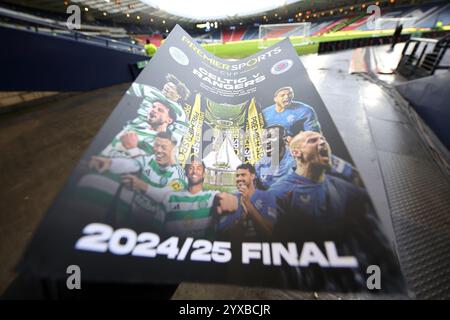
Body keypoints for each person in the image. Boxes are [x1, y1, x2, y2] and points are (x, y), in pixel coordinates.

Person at [269, 131, 403, 291]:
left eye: (323, 139)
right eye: (313, 141)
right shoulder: (280, 192)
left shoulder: (345, 189)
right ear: (297, 153)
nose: (323, 142)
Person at [89, 131, 187, 230]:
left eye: (163, 147)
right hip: (129, 218)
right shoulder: (149, 160)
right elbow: (132, 164)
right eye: (156, 145)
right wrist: (110, 163)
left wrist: (141, 185)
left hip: (153, 227)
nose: (158, 150)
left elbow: (163, 195)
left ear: (174, 150)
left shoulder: (179, 175)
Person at [158, 158, 238, 239]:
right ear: (186, 172)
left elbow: (222, 198)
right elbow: (156, 228)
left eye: (199, 168)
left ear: (204, 174)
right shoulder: (170, 198)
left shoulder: (212, 196)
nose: (194, 171)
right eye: (191, 168)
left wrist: (229, 200)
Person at [219, 164, 278, 240]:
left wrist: (247, 203)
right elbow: (223, 233)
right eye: (237, 176)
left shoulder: (267, 196)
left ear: (252, 176)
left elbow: (268, 231)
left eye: (243, 175)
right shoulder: (231, 198)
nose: (239, 178)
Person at [101, 100, 177, 158]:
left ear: (169, 120)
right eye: (153, 107)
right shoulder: (132, 127)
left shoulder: (165, 145)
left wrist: (133, 149)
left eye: (160, 110)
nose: (153, 110)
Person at [255, 125, 296, 189]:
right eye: (263, 139)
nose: (267, 142)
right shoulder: (259, 166)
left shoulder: (297, 160)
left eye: (270, 137)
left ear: (284, 139)